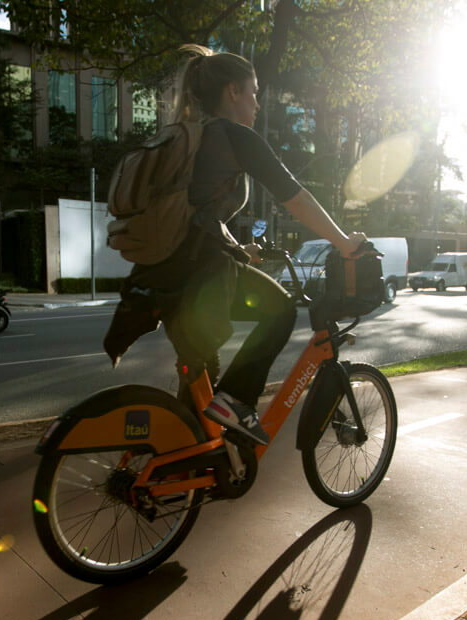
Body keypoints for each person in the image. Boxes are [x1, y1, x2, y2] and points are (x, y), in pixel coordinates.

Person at [106, 44, 364, 446]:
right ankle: (236, 402)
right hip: (194, 272)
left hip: (161, 273)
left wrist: (240, 251)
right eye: (254, 92)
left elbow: (195, 213)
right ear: (232, 92)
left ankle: (176, 466)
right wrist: (344, 242)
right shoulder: (233, 136)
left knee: (200, 377)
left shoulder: (193, 138)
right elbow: (295, 197)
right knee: (280, 310)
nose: (257, 103)